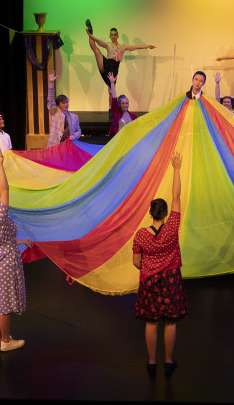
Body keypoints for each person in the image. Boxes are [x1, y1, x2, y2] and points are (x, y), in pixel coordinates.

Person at [133, 151, 188, 377]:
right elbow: (176, 196)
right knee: (170, 322)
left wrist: (150, 267)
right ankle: (168, 360)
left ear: (150, 213)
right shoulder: (172, 227)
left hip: (149, 281)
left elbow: (137, 262)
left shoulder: (140, 235)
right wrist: (176, 168)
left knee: (151, 322)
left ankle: (152, 362)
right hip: (171, 280)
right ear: (165, 214)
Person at [0, 146, 33, 352]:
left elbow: (3, 239)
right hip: (4, 262)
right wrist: (0, 165)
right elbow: (5, 189)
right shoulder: (0, 215)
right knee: (3, 305)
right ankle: (6, 341)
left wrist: (21, 241)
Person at [85, 20, 156, 110]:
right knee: (95, 49)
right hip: (106, 63)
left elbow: (135, 47)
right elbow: (98, 40)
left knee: (111, 91)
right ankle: (91, 30)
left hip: (113, 69)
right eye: (111, 35)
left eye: (115, 35)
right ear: (110, 36)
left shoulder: (123, 46)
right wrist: (90, 35)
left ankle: (110, 109)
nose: (113, 36)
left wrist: (148, 46)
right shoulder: (108, 44)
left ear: (117, 35)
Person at [47, 70, 81, 147]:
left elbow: (79, 131)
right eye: (63, 103)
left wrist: (74, 136)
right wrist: (51, 83)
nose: (66, 104)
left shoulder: (74, 117)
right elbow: (50, 99)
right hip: (55, 146)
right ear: (58, 105)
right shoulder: (54, 113)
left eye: (67, 102)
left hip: (68, 146)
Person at [107, 72, 138, 137]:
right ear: (119, 105)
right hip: (119, 140)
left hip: (129, 140)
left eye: (127, 103)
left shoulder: (133, 116)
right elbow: (114, 97)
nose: (125, 105)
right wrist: (112, 83)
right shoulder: (116, 113)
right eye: (123, 103)